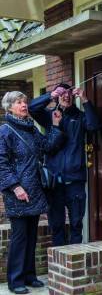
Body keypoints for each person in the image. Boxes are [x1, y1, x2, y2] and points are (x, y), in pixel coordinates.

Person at [0, 91, 63, 294]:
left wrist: (55, 125)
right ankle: (15, 280)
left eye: (25, 102)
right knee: (19, 236)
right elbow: (2, 164)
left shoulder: (31, 128)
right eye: (19, 102)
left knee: (31, 235)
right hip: (17, 191)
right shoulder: (5, 131)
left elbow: (47, 146)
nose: (24, 105)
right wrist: (15, 187)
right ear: (9, 107)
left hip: (35, 189)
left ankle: (29, 275)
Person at [28, 83, 100, 246]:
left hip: (75, 181)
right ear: (58, 97)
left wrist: (85, 99)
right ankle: (60, 263)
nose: (66, 96)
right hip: (54, 182)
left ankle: (75, 261)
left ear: (73, 97)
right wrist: (50, 95)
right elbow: (32, 108)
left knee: (76, 223)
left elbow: (94, 126)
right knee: (56, 225)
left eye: (69, 93)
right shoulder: (50, 116)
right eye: (62, 94)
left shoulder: (80, 117)